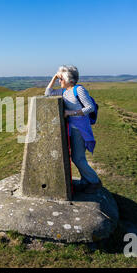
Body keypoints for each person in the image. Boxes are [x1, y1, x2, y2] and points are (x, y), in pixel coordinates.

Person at [44, 65, 102, 194]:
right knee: (77, 157)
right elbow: (48, 94)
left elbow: (90, 108)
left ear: (69, 80)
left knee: (78, 158)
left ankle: (94, 182)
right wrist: (54, 77)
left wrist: (70, 113)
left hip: (80, 129)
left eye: (61, 79)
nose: (60, 82)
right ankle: (85, 181)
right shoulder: (65, 91)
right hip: (73, 128)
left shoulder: (78, 89)